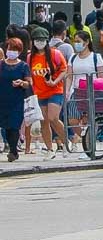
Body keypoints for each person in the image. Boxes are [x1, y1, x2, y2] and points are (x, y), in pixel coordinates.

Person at [28, 26, 69, 160]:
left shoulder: (55, 54)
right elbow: (29, 75)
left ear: (47, 40)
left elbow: (64, 70)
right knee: (44, 121)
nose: (39, 42)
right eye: (37, 40)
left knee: (53, 118)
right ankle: (50, 149)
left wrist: (55, 81)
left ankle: (65, 141)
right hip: (39, 93)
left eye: (42, 40)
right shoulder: (30, 57)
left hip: (55, 90)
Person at [65, 29, 103, 150]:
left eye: (78, 41)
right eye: (75, 41)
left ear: (87, 42)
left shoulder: (96, 57)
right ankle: (85, 138)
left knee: (89, 121)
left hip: (91, 93)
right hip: (76, 92)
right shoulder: (73, 58)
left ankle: (89, 147)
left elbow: (101, 77)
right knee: (72, 120)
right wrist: (67, 91)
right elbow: (69, 76)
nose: (76, 44)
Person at [0, 38, 31, 162]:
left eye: (14, 50)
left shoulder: (23, 66)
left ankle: (13, 151)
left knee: (14, 125)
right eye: (9, 49)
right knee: (6, 127)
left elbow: (29, 83)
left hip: (17, 100)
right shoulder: (1, 64)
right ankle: (12, 149)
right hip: (3, 99)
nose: (11, 52)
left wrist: (21, 83)